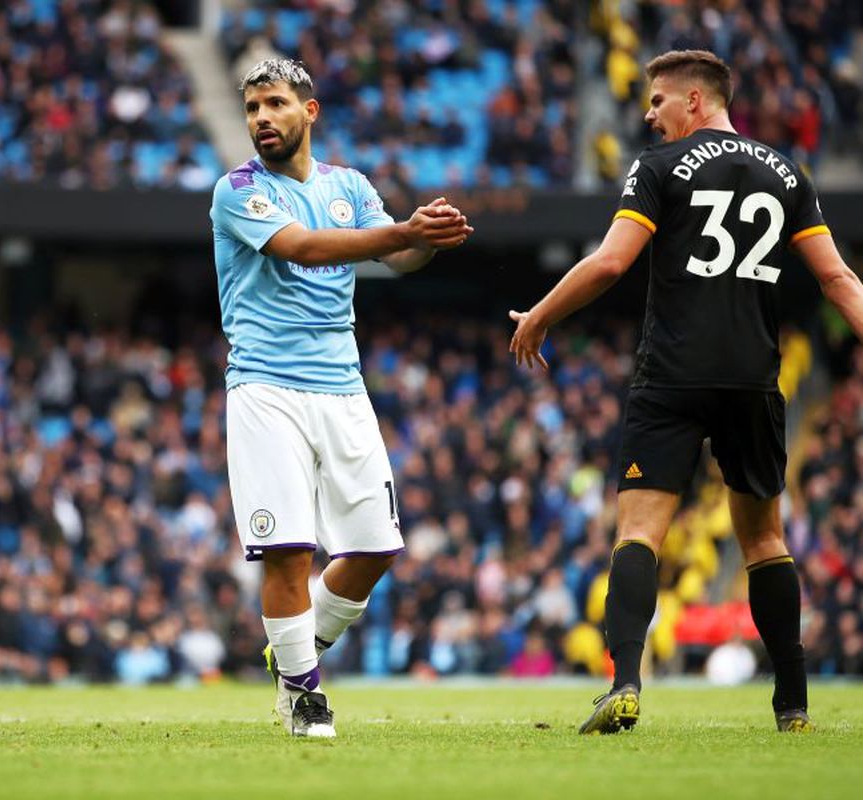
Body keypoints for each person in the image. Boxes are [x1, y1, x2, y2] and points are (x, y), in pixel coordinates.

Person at [508, 49, 863, 735]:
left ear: (695, 101)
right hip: (754, 377)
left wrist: (543, 314)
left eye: (658, 102)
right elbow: (839, 280)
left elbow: (612, 260)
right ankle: (792, 706)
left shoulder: (658, 167)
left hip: (671, 374)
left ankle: (626, 684)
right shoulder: (788, 172)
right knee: (764, 539)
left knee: (639, 532)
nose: (648, 115)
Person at [209, 59, 473, 738]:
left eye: (274, 104)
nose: (261, 119)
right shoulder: (237, 190)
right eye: (252, 109)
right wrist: (405, 233)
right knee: (290, 550)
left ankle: (291, 652)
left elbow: (399, 258)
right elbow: (309, 248)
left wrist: (429, 239)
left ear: (310, 111)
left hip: (343, 388)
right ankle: (302, 694)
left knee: (377, 548)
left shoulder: (348, 186)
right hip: (266, 387)